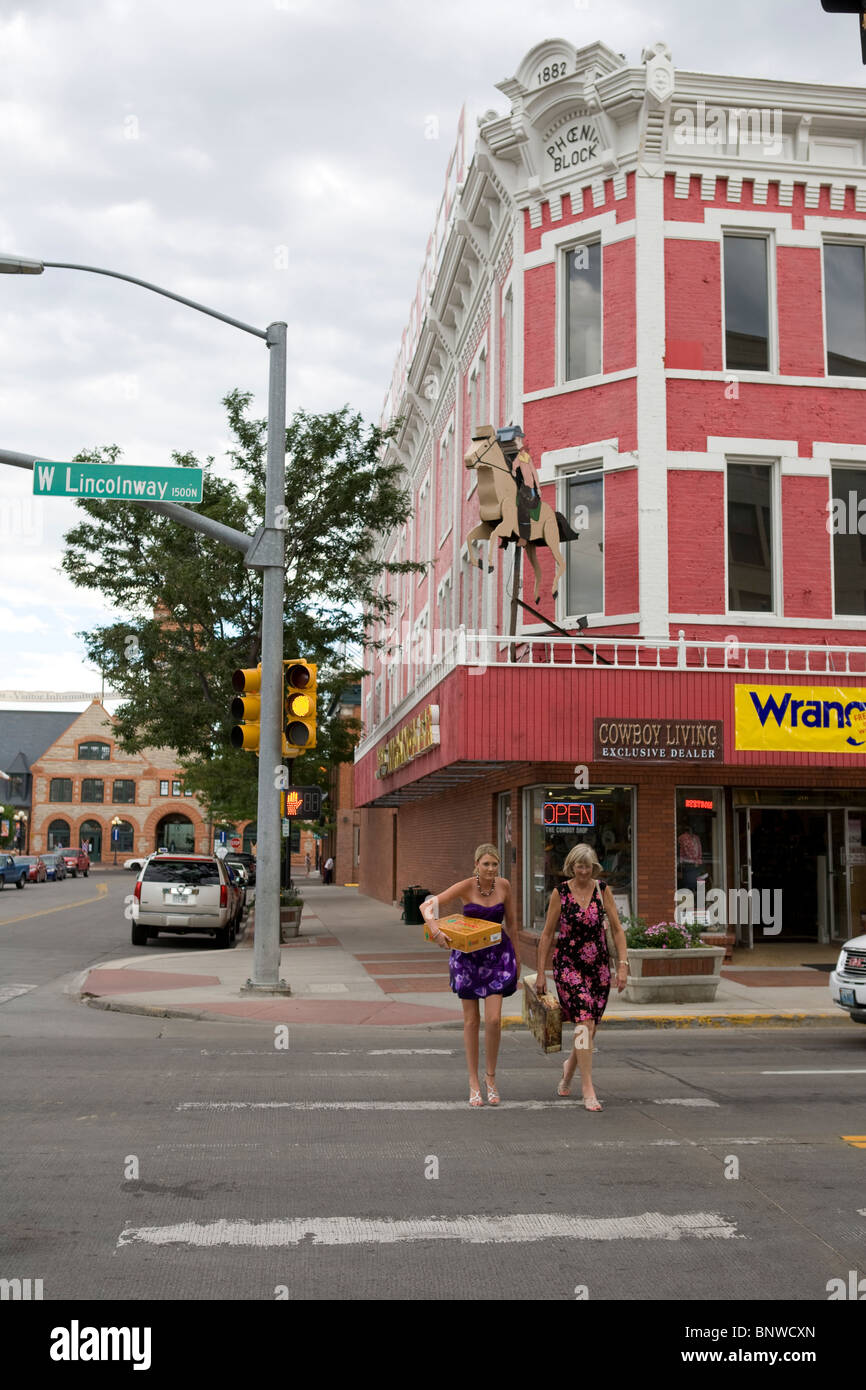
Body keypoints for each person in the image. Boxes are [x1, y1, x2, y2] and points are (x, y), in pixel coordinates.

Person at [424, 843, 521, 1108]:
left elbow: (511, 923)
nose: (490, 869)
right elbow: (427, 905)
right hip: (467, 958)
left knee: (493, 1019)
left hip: (498, 956)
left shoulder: (504, 886)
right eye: (486, 864)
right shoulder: (466, 886)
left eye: (494, 864)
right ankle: (473, 1082)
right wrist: (435, 931)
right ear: (476, 864)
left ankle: (490, 1078)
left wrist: (518, 958)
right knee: (471, 1021)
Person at [535, 842, 628, 1112]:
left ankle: (568, 1070)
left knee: (588, 1029)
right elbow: (547, 934)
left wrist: (622, 965)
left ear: (594, 867)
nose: (584, 871)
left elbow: (618, 931)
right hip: (568, 966)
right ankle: (588, 1088)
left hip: (598, 968)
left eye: (588, 866)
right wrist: (541, 973)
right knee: (584, 1019)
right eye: (579, 865)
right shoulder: (560, 893)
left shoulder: (602, 890)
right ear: (571, 866)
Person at [511, 428, 541, 546]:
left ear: (520, 440)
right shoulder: (519, 457)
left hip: (530, 488)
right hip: (524, 487)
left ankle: (525, 536)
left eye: (516, 442)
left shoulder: (526, 457)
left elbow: (534, 472)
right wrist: (513, 471)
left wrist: (538, 487)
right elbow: (514, 467)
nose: (516, 444)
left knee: (524, 509)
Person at [677, 821, 703, 895]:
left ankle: (695, 896)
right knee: (689, 882)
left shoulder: (696, 837)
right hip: (687, 863)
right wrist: (696, 860)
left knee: (695, 882)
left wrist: (698, 860)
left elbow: (699, 849)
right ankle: (689, 897)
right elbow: (686, 849)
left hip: (695, 864)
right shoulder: (682, 837)